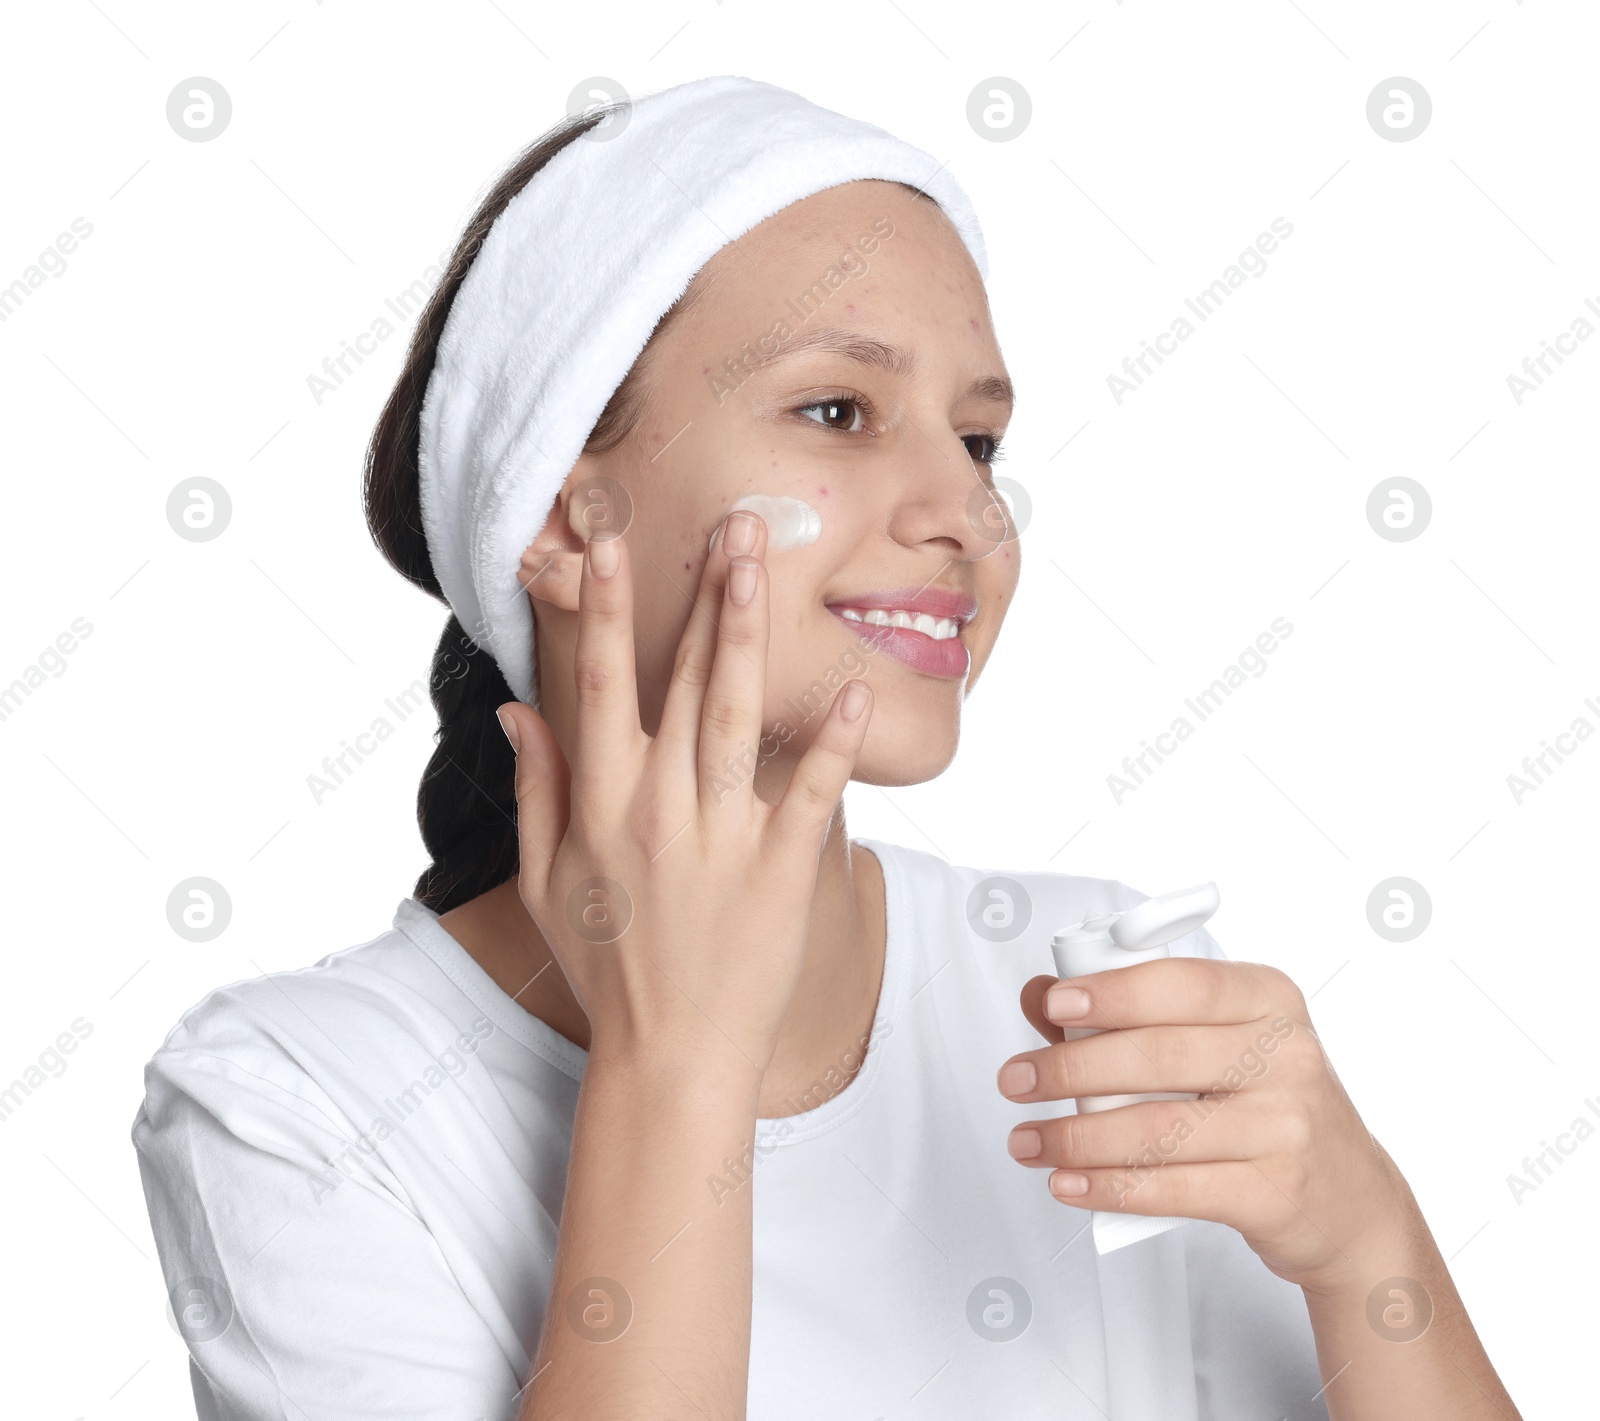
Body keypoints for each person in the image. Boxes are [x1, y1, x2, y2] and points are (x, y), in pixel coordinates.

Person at [131, 76, 1522, 1420]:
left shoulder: (1095, 1000)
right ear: (559, 512)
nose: (967, 515)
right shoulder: (296, 1107)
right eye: (840, 411)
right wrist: (679, 1061)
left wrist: (1369, 1247)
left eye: (979, 439)